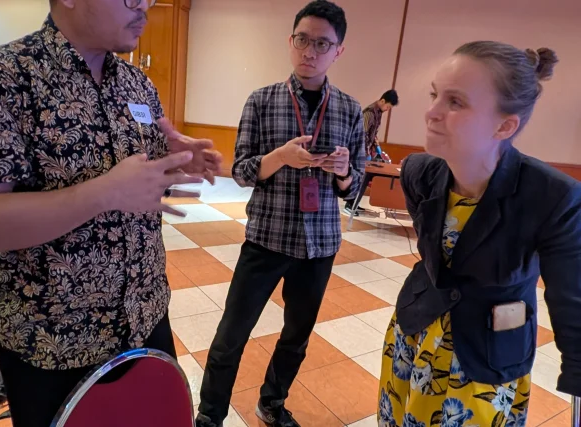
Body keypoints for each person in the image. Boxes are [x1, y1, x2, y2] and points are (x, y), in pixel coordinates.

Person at [0, 0, 222, 426]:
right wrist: (103, 193)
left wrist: (174, 161)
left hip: (146, 320)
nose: (144, 5)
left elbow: (135, 177)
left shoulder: (137, 84)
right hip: (52, 343)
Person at [379, 41, 581, 427]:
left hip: (487, 354)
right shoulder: (420, 171)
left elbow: (572, 301)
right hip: (416, 331)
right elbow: (434, 249)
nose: (431, 112)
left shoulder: (552, 197)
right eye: (435, 95)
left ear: (504, 126)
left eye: (455, 102)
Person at [195, 1, 365, 426]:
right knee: (231, 334)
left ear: (338, 51)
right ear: (290, 41)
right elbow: (241, 171)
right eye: (302, 39)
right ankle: (210, 415)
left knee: (296, 336)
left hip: (320, 245)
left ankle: (271, 403)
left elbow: (355, 186)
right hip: (267, 239)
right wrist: (280, 158)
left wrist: (344, 173)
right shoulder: (262, 100)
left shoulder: (349, 109)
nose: (309, 51)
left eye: (322, 44)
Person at [344, 89, 398, 215]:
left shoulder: (378, 112)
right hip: (358, 150)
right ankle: (349, 204)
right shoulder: (370, 112)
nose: (387, 109)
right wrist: (364, 152)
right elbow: (362, 134)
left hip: (365, 150)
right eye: (388, 107)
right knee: (356, 177)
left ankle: (354, 203)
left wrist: (377, 146)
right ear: (382, 101)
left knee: (362, 178)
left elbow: (373, 133)